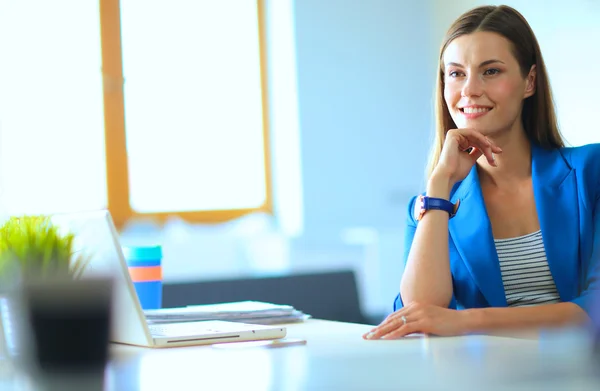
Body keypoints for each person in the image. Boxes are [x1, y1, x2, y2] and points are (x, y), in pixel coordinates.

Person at [364, 4, 600, 340]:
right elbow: (418, 315)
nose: (469, 90)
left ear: (529, 81)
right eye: (456, 73)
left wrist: (465, 321)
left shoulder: (590, 172)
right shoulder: (433, 203)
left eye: (490, 71)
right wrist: (440, 183)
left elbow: (596, 309)